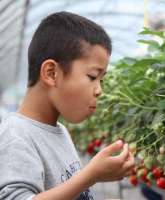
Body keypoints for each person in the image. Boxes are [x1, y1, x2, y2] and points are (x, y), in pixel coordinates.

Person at [0, 11, 135, 200]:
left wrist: (93, 176)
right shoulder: (16, 134)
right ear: (51, 73)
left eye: (101, 80)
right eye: (92, 77)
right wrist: (90, 176)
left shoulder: (60, 131)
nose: (99, 91)